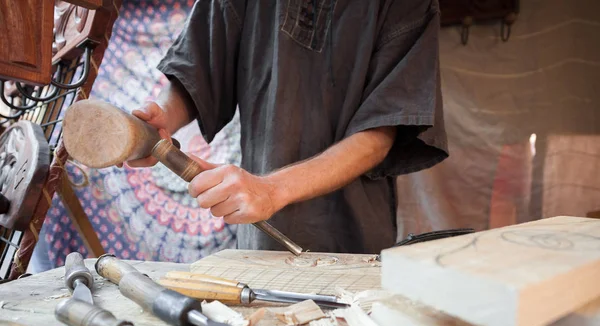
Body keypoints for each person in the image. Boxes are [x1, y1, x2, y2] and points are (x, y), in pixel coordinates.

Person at [126, 0, 448, 255]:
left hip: (353, 243)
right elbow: (199, 67)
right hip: (260, 239)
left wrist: (271, 191)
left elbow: (380, 133)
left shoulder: (409, 3)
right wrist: (162, 116)